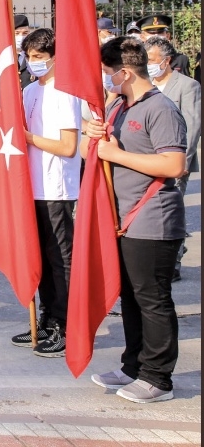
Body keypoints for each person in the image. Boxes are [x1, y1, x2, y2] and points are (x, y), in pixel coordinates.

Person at [87, 37, 187, 404]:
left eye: (108, 74)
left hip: (152, 220)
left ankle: (158, 378)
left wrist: (115, 153)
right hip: (123, 220)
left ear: (126, 73)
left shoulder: (160, 109)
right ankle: (133, 366)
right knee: (130, 297)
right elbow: (96, 153)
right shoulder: (119, 107)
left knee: (153, 300)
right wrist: (94, 139)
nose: (106, 81)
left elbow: (174, 164)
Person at [13, 28, 81, 357]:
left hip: (59, 189)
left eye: (39, 57)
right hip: (33, 188)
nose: (33, 63)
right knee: (39, 257)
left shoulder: (65, 92)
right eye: (29, 57)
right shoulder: (29, 92)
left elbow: (69, 147)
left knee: (60, 260)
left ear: (55, 56)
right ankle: (45, 320)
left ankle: (65, 325)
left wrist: (28, 138)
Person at [145, 36, 199, 282]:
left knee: (172, 212)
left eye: (152, 60)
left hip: (175, 162)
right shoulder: (145, 84)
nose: (148, 65)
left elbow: (193, 125)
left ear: (166, 61)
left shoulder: (187, 86)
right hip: (149, 161)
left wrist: (183, 162)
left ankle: (173, 263)